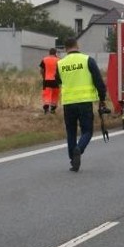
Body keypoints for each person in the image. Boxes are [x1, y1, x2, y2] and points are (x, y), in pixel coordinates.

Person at [57, 37, 109, 172]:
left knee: (71, 131)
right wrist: (102, 98)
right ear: (77, 46)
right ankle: (78, 149)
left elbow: (58, 80)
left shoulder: (60, 63)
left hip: (68, 103)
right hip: (85, 102)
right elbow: (99, 81)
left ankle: (73, 160)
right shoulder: (87, 60)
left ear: (65, 48)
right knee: (87, 131)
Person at [39, 48, 60, 114]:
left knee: (46, 94)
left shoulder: (44, 59)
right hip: (55, 80)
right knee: (55, 94)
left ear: (49, 53)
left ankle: (46, 109)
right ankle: (53, 109)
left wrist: (44, 77)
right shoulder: (59, 60)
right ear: (55, 53)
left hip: (47, 80)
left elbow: (41, 70)